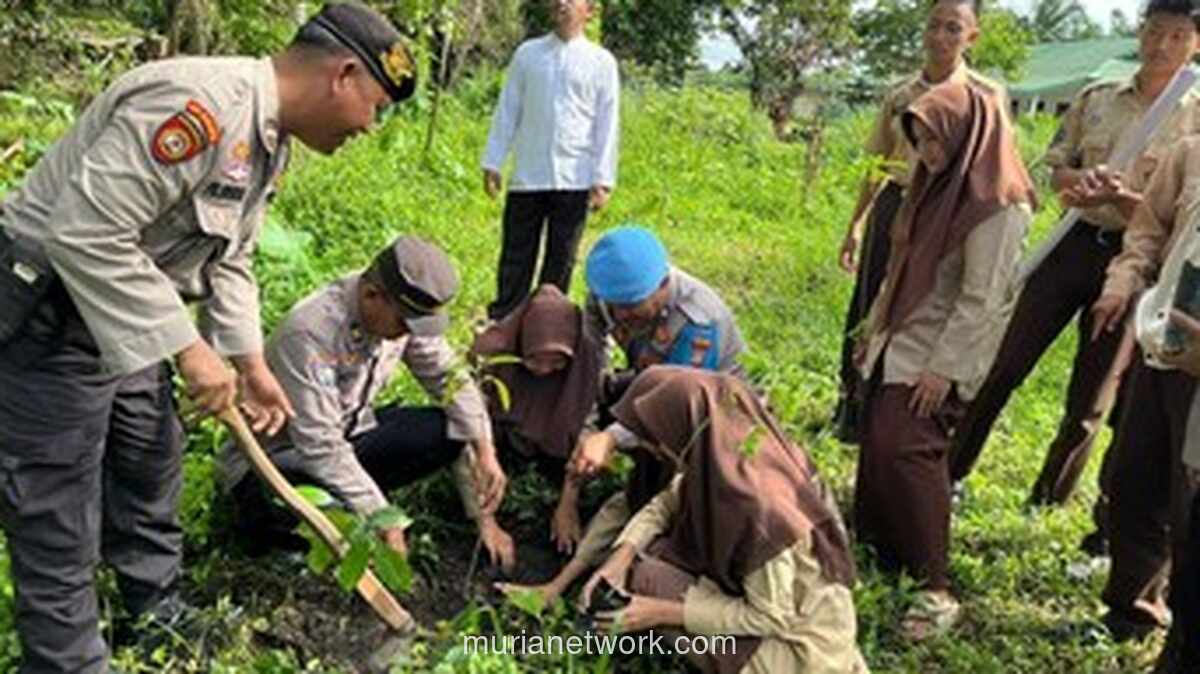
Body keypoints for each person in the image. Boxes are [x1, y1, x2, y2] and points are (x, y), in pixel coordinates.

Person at [0, 3, 416, 672]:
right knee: (59, 504)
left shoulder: (269, 140)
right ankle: (66, 660)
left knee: (150, 458)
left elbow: (232, 257)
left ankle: (154, 612)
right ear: (342, 75)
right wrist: (191, 350)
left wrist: (249, 364)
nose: (370, 126)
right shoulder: (198, 107)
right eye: (375, 106)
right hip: (54, 310)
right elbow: (84, 232)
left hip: (130, 310)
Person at [948, 0, 1200, 515]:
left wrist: (1124, 200)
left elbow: (1173, 221)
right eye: (1154, 31)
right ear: (1140, 32)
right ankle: (950, 472)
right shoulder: (1098, 98)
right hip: (1074, 244)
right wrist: (1082, 184)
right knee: (1005, 363)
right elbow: (1057, 169)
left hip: (1135, 262)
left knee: (1092, 396)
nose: (1161, 45)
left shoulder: (1195, 119)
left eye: (1177, 35)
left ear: (1196, 44)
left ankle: (1046, 500)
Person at [853, 81, 1035, 640]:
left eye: (935, 141)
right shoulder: (934, 184)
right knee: (878, 444)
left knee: (910, 451)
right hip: (900, 337)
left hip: (939, 350)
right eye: (919, 142)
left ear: (967, 135)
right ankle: (883, 555)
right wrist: (872, 329)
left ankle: (935, 585)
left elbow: (983, 298)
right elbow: (900, 265)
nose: (927, 153)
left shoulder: (997, 204)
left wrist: (945, 368)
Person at [222, 236, 514, 571]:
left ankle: (350, 500)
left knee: (445, 429)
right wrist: (381, 515)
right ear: (372, 295)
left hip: (349, 434)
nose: (408, 333)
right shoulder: (310, 334)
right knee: (301, 514)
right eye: (404, 323)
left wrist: (485, 448)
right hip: (280, 458)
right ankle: (281, 541)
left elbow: (448, 378)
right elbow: (319, 445)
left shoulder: (399, 316)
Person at [580, 367, 868, 674]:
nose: (655, 448)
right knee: (647, 557)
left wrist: (660, 612)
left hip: (798, 651)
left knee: (647, 578)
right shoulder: (731, 459)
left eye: (656, 438)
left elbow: (768, 617)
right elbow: (664, 505)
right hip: (811, 617)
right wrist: (620, 558)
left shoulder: (759, 510)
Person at [833, 0, 1008, 443]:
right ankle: (852, 402)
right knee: (870, 301)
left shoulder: (986, 96)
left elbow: (995, 163)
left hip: (949, 210)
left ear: (972, 36)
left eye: (953, 28)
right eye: (934, 26)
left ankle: (916, 397)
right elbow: (876, 162)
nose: (940, 37)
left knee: (930, 298)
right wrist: (856, 224)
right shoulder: (899, 95)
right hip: (899, 202)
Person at [1086, 133, 1200, 641]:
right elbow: (1148, 231)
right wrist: (1122, 282)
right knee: (1133, 479)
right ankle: (1132, 611)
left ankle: (1183, 639)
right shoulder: (1190, 152)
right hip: (1163, 343)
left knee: (1189, 499)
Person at [481, 0, 620, 320]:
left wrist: (602, 178)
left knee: (561, 257)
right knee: (516, 254)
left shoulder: (601, 62)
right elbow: (508, 109)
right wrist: (493, 160)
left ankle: (548, 323)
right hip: (529, 174)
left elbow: (607, 123)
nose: (562, 3)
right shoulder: (528, 54)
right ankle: (505, 320)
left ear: (589, 10)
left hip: (575, 176)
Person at [471, 283, 605, 555]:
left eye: (557, 363)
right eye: (534, 360)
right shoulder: (497, 357)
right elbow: (470, 422)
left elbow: (586, 431)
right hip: (504, 442)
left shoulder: (584, 367)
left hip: (557, 450)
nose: (544, 371)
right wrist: (484, 513)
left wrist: (568, 503)